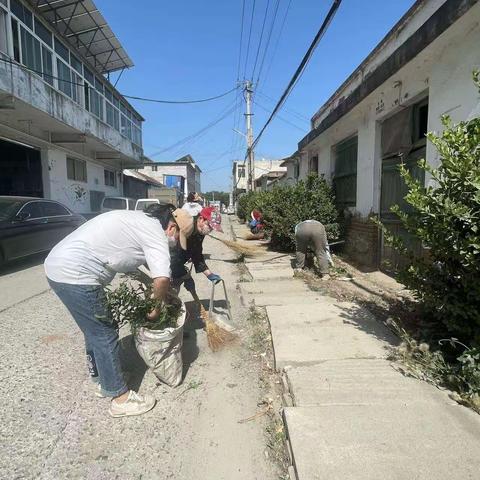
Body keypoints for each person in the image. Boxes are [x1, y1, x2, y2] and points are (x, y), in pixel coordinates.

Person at [44, 204, 194, 418]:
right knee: (104, 333)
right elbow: (161, 278)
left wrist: (158, 291)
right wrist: (155, 308)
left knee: (93, 330)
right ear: (172, 228)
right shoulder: (156, 235)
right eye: (176, 238)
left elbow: (134, 261)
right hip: (76, 275)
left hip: (59, 267)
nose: (173, 245)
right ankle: (120, 398)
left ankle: (103, 379)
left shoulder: (141, 219)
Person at [170, 206, 223, 298]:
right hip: (169, 260)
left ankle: (170, 307)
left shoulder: (200, 232)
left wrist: (209, 274)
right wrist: (183, 274)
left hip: (178, 262)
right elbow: (174, 255)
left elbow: (197, 254)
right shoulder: (186, 227)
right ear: (201, 219)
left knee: (176, 286)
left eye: (211, 228)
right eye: (209, 226)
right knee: (170, 288)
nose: (209, 230)